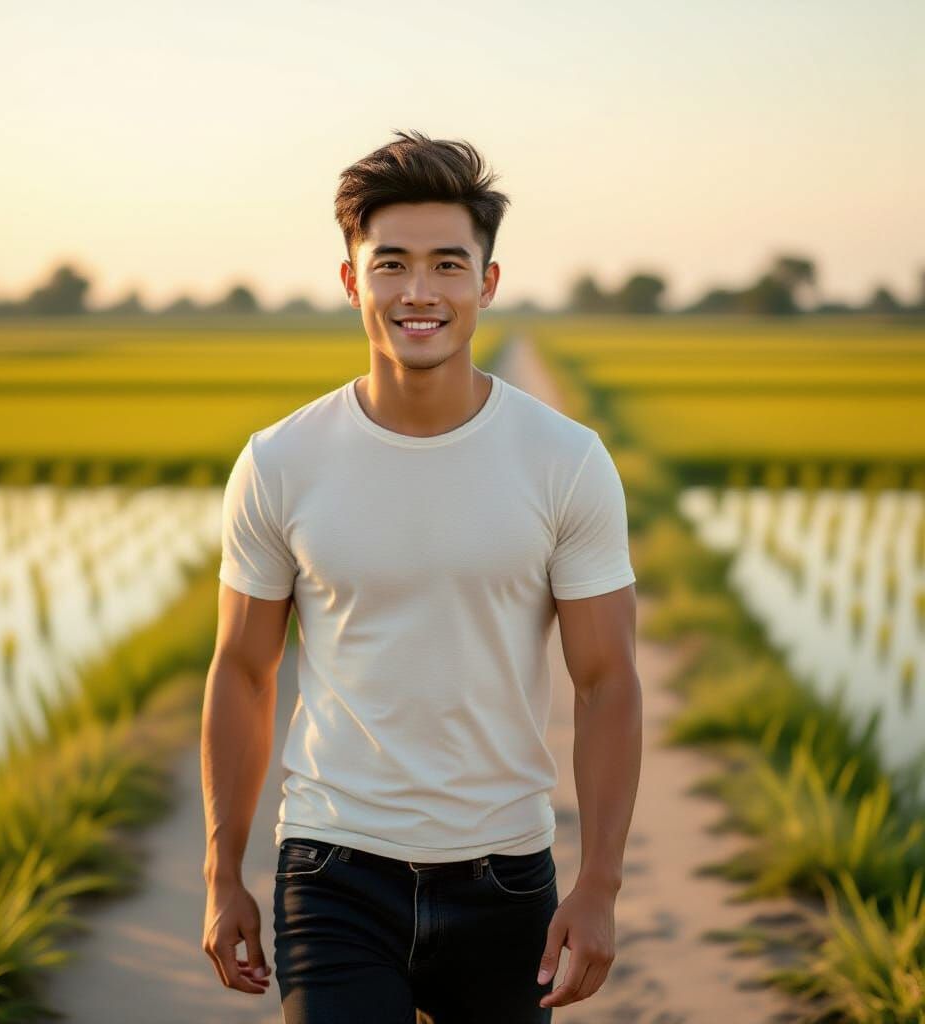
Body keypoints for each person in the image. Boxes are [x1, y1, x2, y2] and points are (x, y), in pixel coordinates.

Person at [200, 128, 642, 1023]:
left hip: (507, 877)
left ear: (486, 282)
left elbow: (606, 681)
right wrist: (221, 873)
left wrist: (598, 886)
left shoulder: (565, 461)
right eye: (391, 263)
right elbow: (243, 670)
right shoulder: (281, 461)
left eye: (447, 264)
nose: (418, 292)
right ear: (351, 279)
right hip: (332, 870)